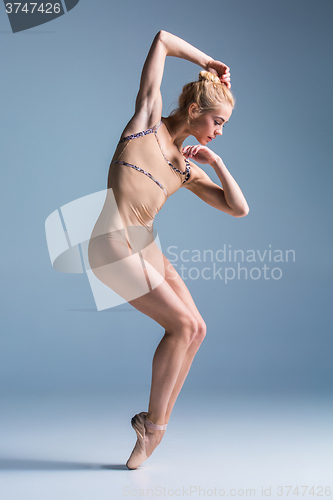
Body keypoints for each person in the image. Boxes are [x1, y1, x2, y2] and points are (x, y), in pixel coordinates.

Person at [88, 30, 249, 470]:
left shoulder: (187, 168)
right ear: (194, 110)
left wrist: (217, 164)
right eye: (218, 122)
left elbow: (239, 209)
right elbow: (161, 40)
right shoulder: (145, 122)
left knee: (196, 328)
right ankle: (154, 431)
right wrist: (212, 60)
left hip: (146, 245)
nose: (219, 132)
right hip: (111, 246)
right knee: (180, 326)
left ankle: (152, 425)